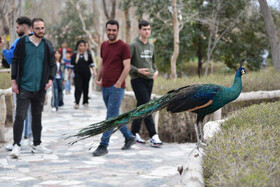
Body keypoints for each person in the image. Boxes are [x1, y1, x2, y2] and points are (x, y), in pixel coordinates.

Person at [10, 18, 56, 158]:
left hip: (40, 88)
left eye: (42, 28)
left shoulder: (47, 44)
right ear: (32, 29)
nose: (41, 31)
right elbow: (15, 61)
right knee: (20, 116)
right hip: (24, 86)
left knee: (37, 117)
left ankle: (36, 144)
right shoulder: (23, 43)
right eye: (37, 28)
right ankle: (16, 145)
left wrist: (50, 80)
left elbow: (52, 64)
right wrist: (13, 81)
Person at [92, 20, 136, 156]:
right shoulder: (104, 45)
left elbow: (127, 66)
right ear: (106, 31)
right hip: (105, 86)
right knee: (114, 116)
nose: (111, 32)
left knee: (110, 117)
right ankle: (129, 137)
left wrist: (118, 83)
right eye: (109, 30)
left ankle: (103, 145)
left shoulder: (123, 46)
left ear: (118, 31)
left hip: (117, 88)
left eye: (114, 30)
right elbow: (102, 63)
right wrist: (98, 78)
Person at [0, 16, 33, 151]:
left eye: (18, 27)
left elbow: (11, 60)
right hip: (34, 82)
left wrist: (3, 48)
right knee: (31, 112)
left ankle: (18, 141)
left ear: (23, 27)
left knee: (19, 113)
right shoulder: (38, 41)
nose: (17, 29)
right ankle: (30, 140)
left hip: (21, 82)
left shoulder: (19, 42)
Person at [129, 20, 163, 147]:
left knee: (141, 106)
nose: (147, 31)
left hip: (149, 79)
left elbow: (153, 62)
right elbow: (127, 64)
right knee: (147, 106)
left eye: (149, 29)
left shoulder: (151, 46)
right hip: (137, 79)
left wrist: (156, 70)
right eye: (144, 29)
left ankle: (133, 133)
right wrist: (138, 70)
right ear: (139, 30)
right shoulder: (133, 45)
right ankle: (153, 135)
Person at [68, 40, 95, 109]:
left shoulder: (88, 54)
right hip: (77, 74)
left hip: (86, 74)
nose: (82, 47)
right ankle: (77, 102)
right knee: (78, 88)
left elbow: (92, 64)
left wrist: (95, 71)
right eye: (81, 45)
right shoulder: (74, 55)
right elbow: (71, 66)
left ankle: (85, 101)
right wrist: (68, 75)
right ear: (78, 46)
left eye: (83, 46)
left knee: (86, 87)